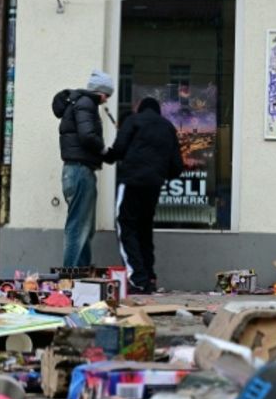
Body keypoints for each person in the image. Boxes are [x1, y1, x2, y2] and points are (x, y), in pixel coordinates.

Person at [103, 96, 184, 294]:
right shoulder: (167, 127)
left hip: (131, 182)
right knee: (144, 230)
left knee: (126, 225)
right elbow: (177, 167)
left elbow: (119, 150)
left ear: (140, 108)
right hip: (153, 186)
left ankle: (137, 279)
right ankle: (149, 277)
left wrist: (104, 155)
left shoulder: (133, 121)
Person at [58, 69, 114, 267]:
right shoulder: (86, 104)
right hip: (80, 171)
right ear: (101, 92)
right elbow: (88, 136)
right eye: (107, 95)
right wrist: (105, 151)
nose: (107, 100)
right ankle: (71, 279)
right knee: (78, 227)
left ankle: (80, 275)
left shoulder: (81, 103)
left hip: (77, 171)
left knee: (84, 228)